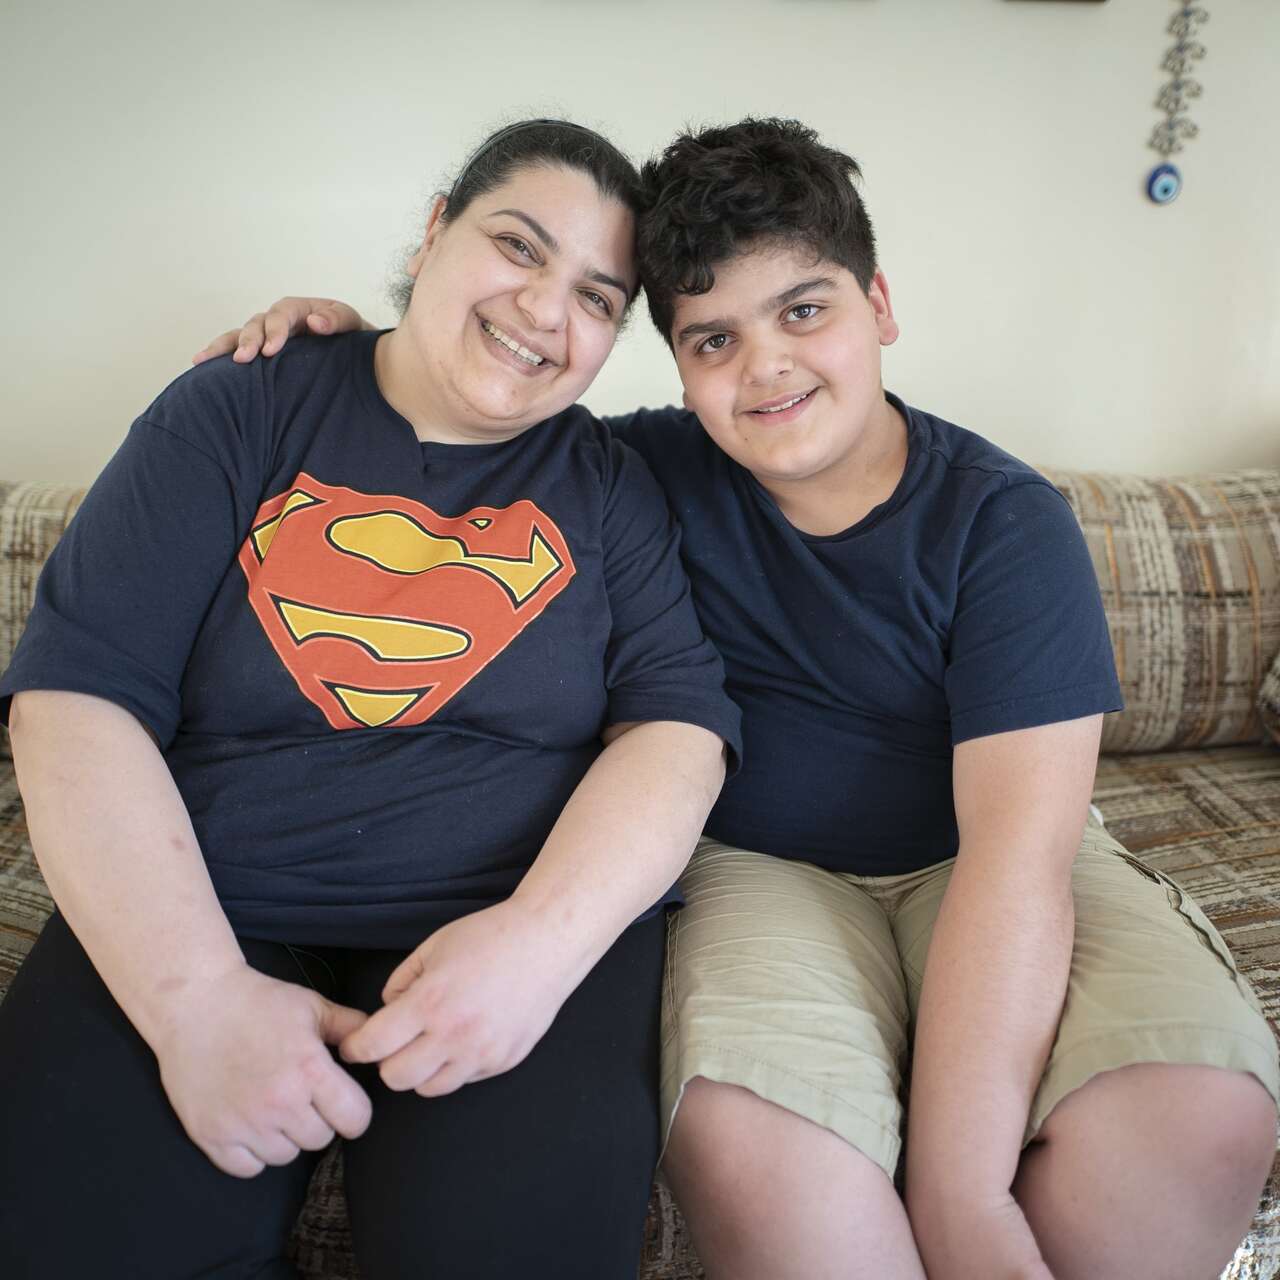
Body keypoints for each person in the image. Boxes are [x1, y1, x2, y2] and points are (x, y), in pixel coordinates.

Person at [204, 116, 1280, 1280]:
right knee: (753, 1144)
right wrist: (342, 344)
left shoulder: (1003, 523)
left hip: (996, 855)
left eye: (803, 310)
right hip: (760, 866)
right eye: (712, 339)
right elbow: (465, 413)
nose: (763, 366)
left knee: (1195, 1108)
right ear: (674, 361)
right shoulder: (636, 472)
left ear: (878, 303)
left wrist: (958, 1190)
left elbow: (1015, 865)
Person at [0, 119, 743, 1280]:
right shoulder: (235, 410)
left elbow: (677, 731)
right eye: (516, 246)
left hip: (502, 917)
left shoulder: (610, 486)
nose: (548, 312)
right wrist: (193, 997)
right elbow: (73, 703)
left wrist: (534, 952)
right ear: (436, 228)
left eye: (598, 298)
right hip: (212, 897)